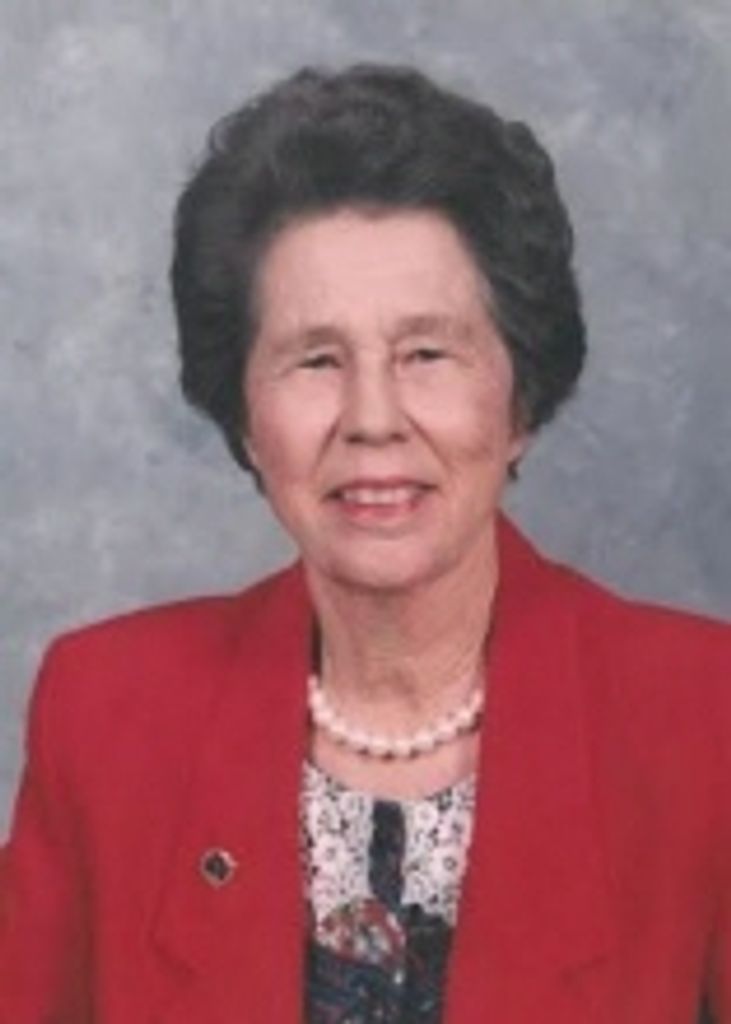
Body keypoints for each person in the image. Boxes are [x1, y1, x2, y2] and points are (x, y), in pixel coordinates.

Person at [1, 63, 729, 1024]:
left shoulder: (703, 719)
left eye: (426, 353)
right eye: (315, 360)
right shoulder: (106, 712)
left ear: (518, 402)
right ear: (245, 418)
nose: (372, 418)